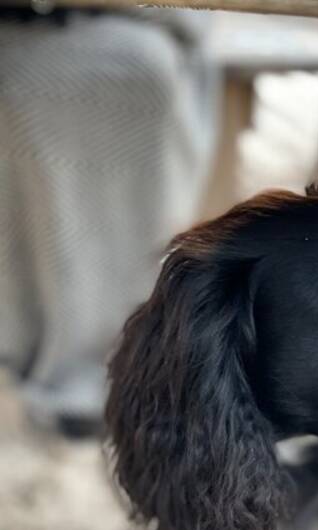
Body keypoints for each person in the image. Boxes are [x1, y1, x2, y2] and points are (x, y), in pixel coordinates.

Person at [0, 5, 220, 435]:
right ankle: (21, 328)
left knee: (142, 72)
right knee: (13, 88)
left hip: (128, 21)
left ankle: (114, 349)